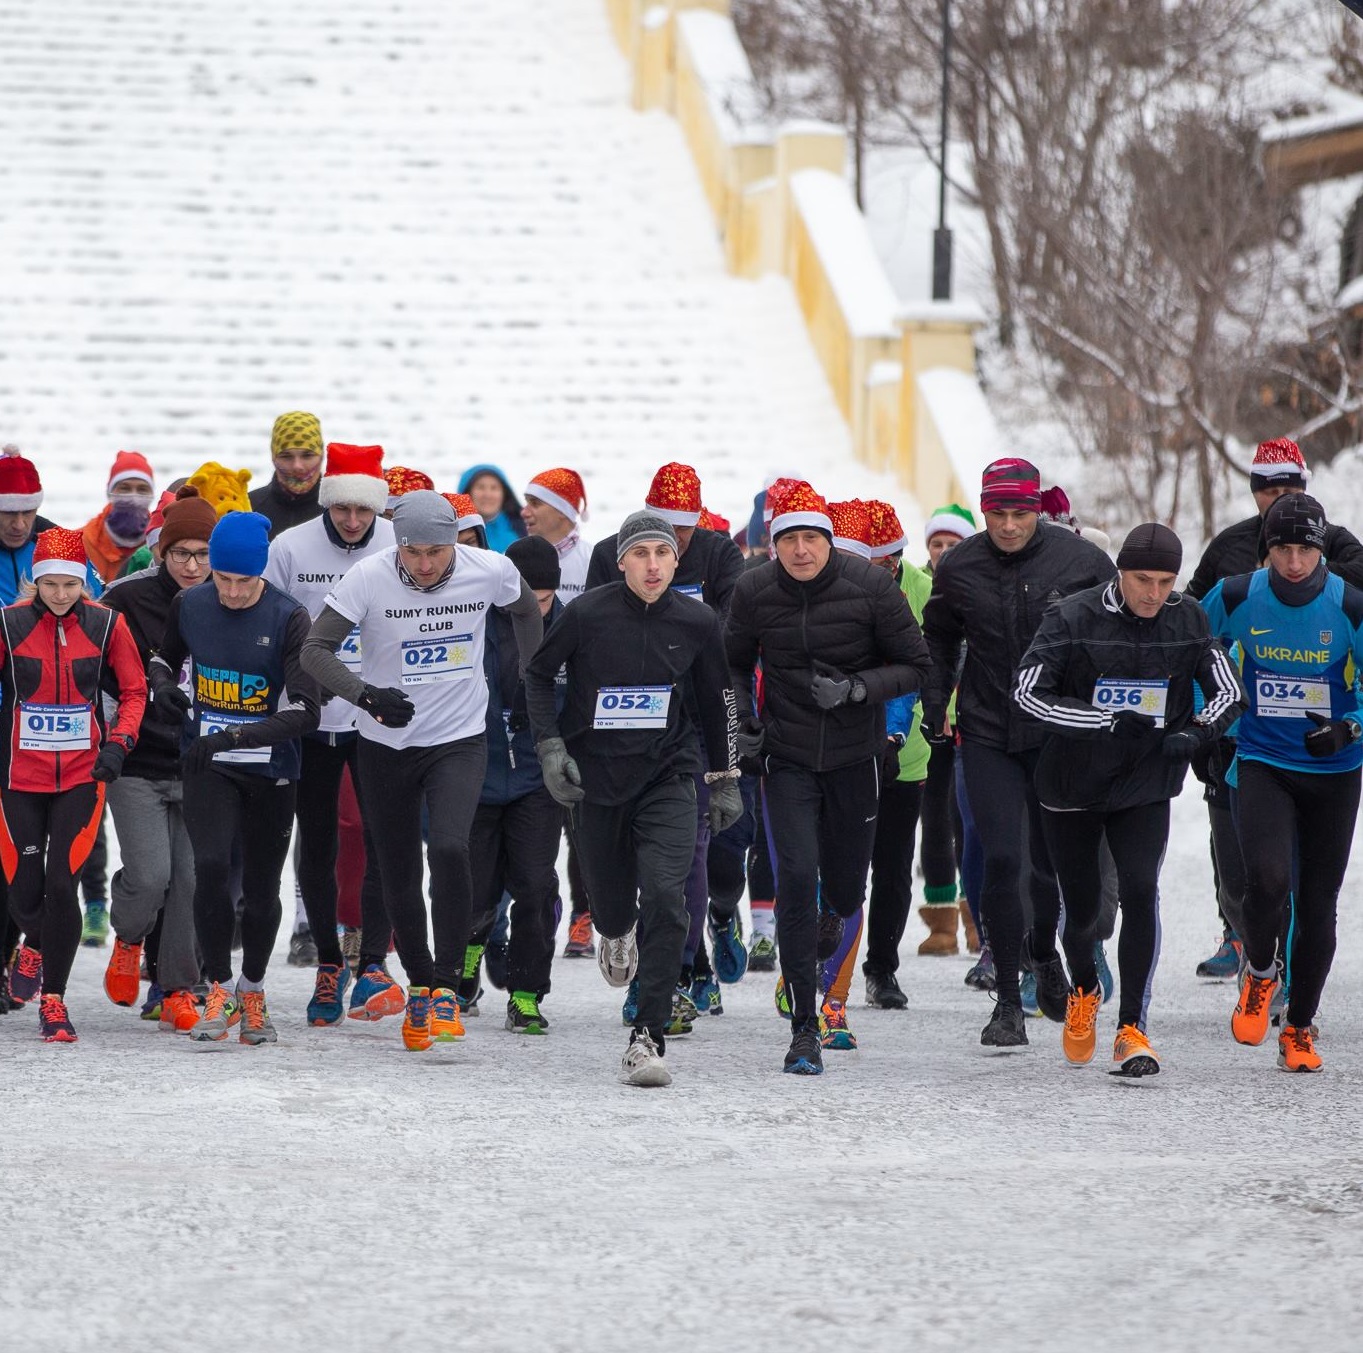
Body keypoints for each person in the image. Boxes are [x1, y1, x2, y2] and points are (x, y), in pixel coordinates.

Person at [301, 490, 544, 1052]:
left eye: (438, 551)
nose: (427, 564)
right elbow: (316, 650)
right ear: (398, 544)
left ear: (458, 541)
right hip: (386, 741)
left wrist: (531, 677)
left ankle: (446, 987)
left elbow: (527, 608)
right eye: (413, 552)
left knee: (453, 850)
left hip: (459, 738)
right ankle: (419, 985)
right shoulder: (368, 577)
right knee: (398, 867)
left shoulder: (490, 570)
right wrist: (366, 696)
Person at [1013, 523, 1245, 1075]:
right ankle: (1085, 990)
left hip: (1144, 784)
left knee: (1141, 891)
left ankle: (1133, 1029)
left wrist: (1198, 733)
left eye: (1165, 581)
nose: (1153, 593)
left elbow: (1228, 691)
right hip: (1072, 784)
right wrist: (1101, 722)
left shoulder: (1187, 617)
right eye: (1143, 579)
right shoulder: (1071, 616)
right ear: (1121, 571)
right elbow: (1027, 692)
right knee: (1086, 907)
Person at [525, 510, 741, 1087]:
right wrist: (550, 748)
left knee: (669, 898)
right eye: (640, 554)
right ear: (621, 561)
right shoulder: (587, 614)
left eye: (662, 554)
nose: (652, 565)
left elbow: (720, 697)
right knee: (614, 904)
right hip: (596, 780)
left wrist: (725, 777)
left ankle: (647, 1036)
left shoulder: (696, 621)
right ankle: (616, 931)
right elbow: (538, 676)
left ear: (676, 560)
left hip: (669, 775)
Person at [725, 481, 930, 1075]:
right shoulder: (754, 590)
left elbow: (916, 665)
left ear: (830, 541)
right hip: (786, 758)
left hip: (854, 757)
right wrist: (745, 727)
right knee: (795, 876)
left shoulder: (868, 586)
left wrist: (857, 690)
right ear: (772, 545)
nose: (801, 551)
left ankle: (829, 922)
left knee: (843, 890)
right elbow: (731, 665)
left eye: (812, 538)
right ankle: (803, 1029)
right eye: (788, 540)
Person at [921, 457, 1116, 1049]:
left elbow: (1115, 629)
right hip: (986, 730)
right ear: (983, 511)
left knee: (1048, 865)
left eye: (1020, 513)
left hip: (1056, 731)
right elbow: (938, 634)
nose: (1008, 525)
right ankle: (1008, 998)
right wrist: (935, 703)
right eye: (997, 513)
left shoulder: (1082, 562)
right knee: (1002, 859)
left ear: (1038, 509)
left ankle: (1043, 953)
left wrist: (1104, 706)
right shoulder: (960, 566)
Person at [1184, 437, 1363, 984]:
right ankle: (1243, 942)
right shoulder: (1230, 556)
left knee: (1309, 887)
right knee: (1252, 868)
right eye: (1267, 487)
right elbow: (1191, 629)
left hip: (1325, 748)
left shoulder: (1338, 549)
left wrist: (1351, 724)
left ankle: (1290, 994)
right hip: (1246, 738)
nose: (1292, 562)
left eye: (1288, 486)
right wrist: (1204, 721)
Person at [151, 511, 321, 1046]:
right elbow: (163, 656)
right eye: (221, 578)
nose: (231, 591)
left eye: (243, 581)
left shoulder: (289, 617)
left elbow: (307, 711)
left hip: (269, 768)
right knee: (210, 867)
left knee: (262, 885)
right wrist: (163, 685)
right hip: (209, 766)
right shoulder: (191, 603)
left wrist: (233, 737)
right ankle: (220, 987)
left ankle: (253, 990)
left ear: (262, 573)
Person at [585, 462, 748, 1015]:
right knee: (628, 852)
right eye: (663, 528)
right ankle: (651, 947)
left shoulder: (720, 554)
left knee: (692, 854)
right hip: (623, 721)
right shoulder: (610, 552)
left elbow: (728, 635)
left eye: (684, 531)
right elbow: (591, 630)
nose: (671, 545)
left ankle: (674, 971)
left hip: (693, 723)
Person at [262, 443, 401, 1026]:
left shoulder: (397, 546)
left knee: (380, 840)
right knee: (317, 846)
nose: (351, 521)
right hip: (312, 720)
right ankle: (326, 962)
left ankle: (371, 962)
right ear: (326, 502)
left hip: (376, 719)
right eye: (341, 509)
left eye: (362, 511)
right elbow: (267, 622)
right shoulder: (290, 547)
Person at [1, 529, 146, 1042]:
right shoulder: (8, 623)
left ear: (84, 584)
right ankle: (34, 944)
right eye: (50, 585)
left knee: (63, 884)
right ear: (34, 583)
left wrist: (119, 743)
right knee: (24, 891)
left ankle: (54, 1000)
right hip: (19, 776)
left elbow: (134, 690)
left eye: (70, 585)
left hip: (84, 775)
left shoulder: (108, 625)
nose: (61, 595)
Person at [99, 488, 221, 1032]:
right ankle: (127, 936)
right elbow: (96, 671)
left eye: (203, 554)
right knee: (152, 878)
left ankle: (175, 988)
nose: (193, 566)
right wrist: (110, 738)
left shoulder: (233, 592)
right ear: (161, 551)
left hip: (203, 764)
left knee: (191, 883)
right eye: (181, 554)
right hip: (139, 760)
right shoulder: (126, 597)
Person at [467, 534, 564, 1033]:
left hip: (536, 778)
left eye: (544, 600)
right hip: (477, 774)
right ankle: (465, 963)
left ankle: (527, 992)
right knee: (475, 889)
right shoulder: (474, 621)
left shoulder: (570, 626)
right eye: (525, 597)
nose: (534, 608)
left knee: (534, 884)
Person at [910, 502, 976, 959]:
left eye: (954, 544)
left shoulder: (981, 585)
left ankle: (977, 916)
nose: (944, 552)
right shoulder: (914, 588)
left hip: (972, 723)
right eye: (937, 544)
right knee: (933, 819)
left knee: (969, 821)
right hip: (926, 725)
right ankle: (941, 920)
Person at [81, 450, 156, 583]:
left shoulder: (160, 545)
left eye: (142, 489)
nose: (134, 497)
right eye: (125, 488)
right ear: (110, 491)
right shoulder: (81, 542)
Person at [249, 411, 325, 538]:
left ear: (322, 456)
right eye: (286, 456)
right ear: (273, 457)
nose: (297, 466)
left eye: (307, 455)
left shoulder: (341, 511)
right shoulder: (248, 509)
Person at [522, 467, 591, 603]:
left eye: (535, 504)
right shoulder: (510, 558)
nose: (524, 512)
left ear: (562, 511)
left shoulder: (592, 560)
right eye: (527, 503)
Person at [458, 464, 527, 552]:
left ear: (504, 493)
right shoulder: (453, 532)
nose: (488, 495)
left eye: (494, 488)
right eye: (481, 487)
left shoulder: (525, 526)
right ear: (467, 493)